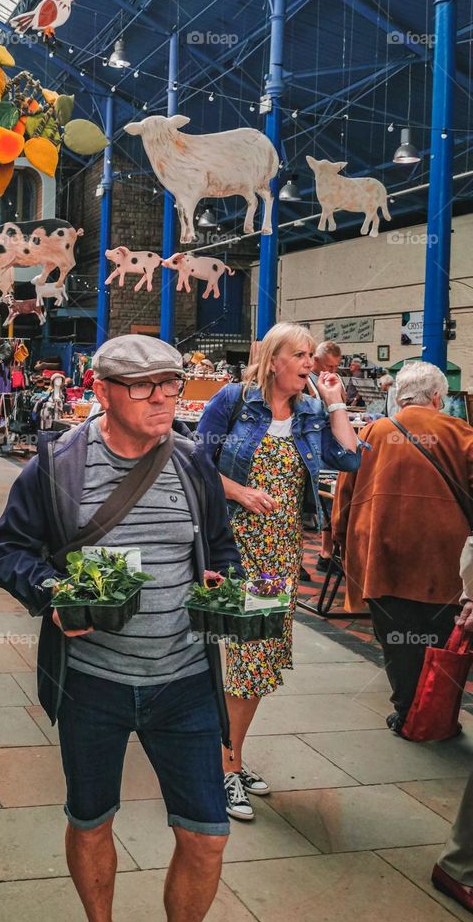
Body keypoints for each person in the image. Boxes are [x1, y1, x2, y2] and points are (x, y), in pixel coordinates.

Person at [0, 335, 243, 922]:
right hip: (92, 685)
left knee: (207, 835)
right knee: (91, 818)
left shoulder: (192, 463)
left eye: (172, 383)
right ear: (101, 391)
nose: (165, 397)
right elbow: (6, 551)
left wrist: (224, 579)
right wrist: (50, 591)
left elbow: (220, 547)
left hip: (185, 683)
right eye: (145, 386)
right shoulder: (56, 467)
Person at [196, 322, 360, 821]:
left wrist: (335, 403)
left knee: (259, 662)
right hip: (233, 551)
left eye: (313, 355)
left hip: (279, 554)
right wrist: (239, 491)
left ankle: (227, 758)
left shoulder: (310, 410)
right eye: (301, 355)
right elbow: (194, 461)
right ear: (273, 360)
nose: (311, 363)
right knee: (247, 660)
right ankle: (226, 766)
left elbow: (350, 456)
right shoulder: (234, 400)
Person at [332, 360, 472, 734]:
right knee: (440, 641)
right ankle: (437, 714)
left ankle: (406, 709)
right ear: (437, 397)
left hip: (381, 556)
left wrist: (337, 540)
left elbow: (344, 494)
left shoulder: (373, 433)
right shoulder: (461, 433)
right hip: (443, 562)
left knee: (397, 640)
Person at [311, 340, 343, 571]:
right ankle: (324, 554)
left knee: (329, 499)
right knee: (320, 501)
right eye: (329, 366)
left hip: (325, 446)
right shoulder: (306, 382)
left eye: (336, 366)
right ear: (317, 360)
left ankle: (327, 553)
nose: (333, 371)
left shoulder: (329, 380)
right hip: (312, 446)